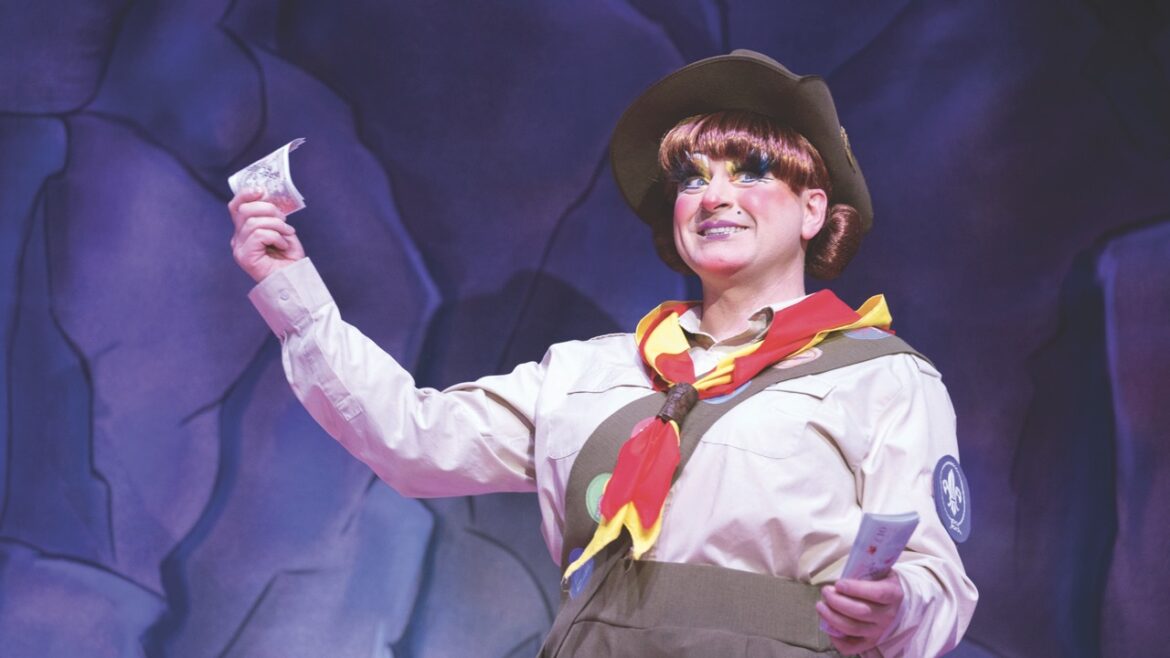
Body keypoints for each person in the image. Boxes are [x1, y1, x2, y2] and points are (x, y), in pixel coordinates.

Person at [228, 50, 977, 657]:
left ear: (814, 208)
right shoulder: (591, 371)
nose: (714, 195)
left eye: (750, 171)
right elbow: (413, 439)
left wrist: (896, 609)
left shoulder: (880, 377)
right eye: (691, 177)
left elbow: (934, 577)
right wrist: (291, 288)